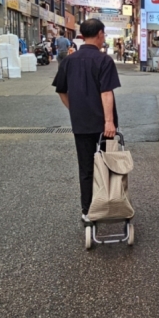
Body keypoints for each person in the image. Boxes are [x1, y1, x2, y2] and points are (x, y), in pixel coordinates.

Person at [52, 19, 121, 222]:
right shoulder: (104, 60)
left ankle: (88, 210)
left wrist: (75, 109)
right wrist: (109, 122)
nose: (104, 37)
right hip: (103, 127)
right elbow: (106, 92)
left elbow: (61, 91)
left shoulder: (69, 61)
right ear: (99, 33)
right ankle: (109, 204)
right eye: (104, 34)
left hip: (81, 124)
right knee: (109, 165)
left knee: (86, 168)